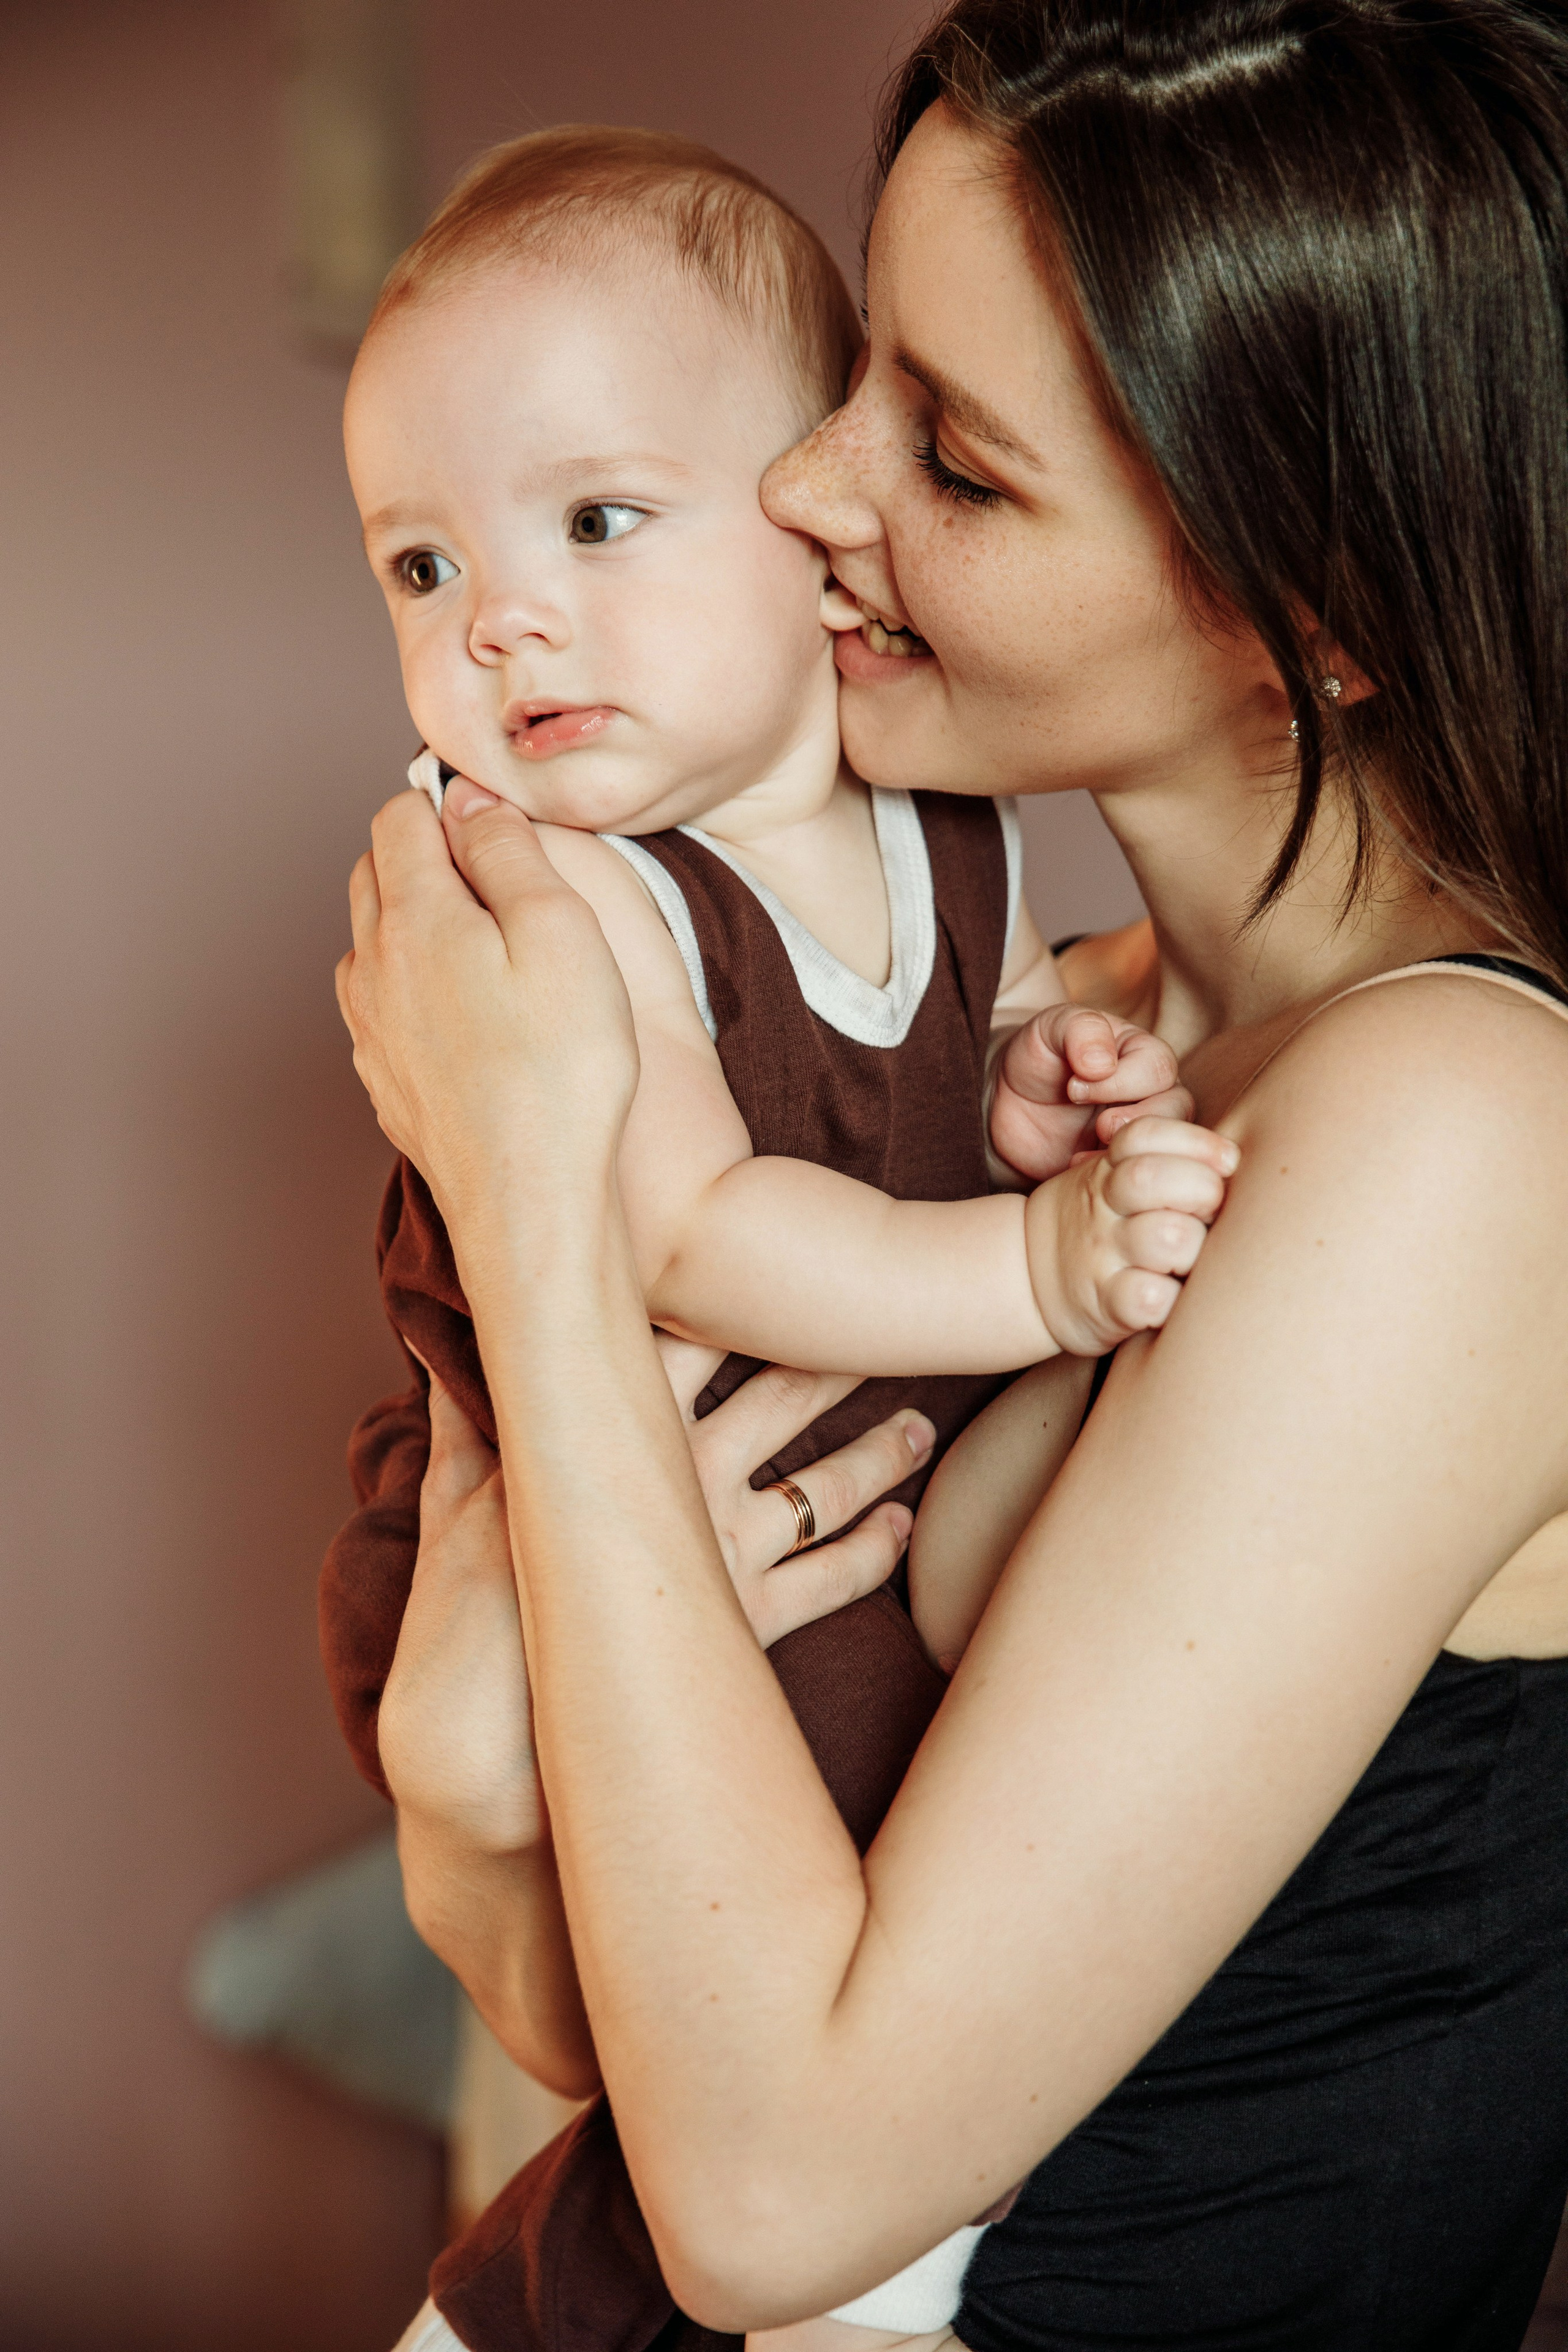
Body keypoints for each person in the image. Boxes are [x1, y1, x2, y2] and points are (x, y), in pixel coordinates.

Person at [337, 2, 1568, 2347]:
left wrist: (534, 1197)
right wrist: (456, 1787)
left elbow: (773, 2197)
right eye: (857, 375)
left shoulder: (1465, 1133)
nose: (804, 488)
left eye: (959, 462)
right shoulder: (1024, 1047)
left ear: (1310, 608)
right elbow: (627, 2044)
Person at [327, 122, 1231, 2352]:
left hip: (799, 1480)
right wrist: (1031, 1272)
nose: (500, 617)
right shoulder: (577, 894)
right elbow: (707, 1230)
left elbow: (936, 1070)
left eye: (596, 524)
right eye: (420, 571)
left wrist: (1033, 1097)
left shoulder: (952, 815)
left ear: (804, 526)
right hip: (569, 1495)